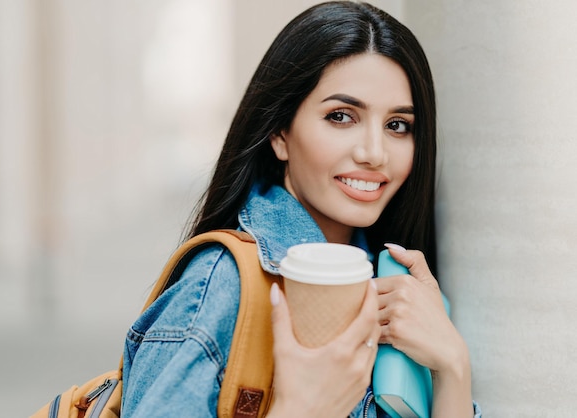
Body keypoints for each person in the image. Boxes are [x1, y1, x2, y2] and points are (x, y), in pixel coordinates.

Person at [121, 1, 481, 417]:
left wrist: (453, 366)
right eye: (342, 116)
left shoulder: (396, 290)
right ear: (280, 134)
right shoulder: (224, 287)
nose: (374, 153)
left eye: (397, 125)